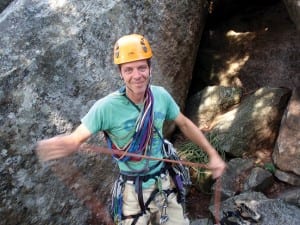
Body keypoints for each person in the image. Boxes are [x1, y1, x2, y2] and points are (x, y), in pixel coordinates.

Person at [36, 34, 226, 225]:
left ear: (150, 68)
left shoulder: (160, 96)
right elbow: (76, 138)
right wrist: (66, 144)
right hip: (132, 192)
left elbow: (183, 123)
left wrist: (212, 154)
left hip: (163, 183)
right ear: (120, 73)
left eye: (142, 67)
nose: (137, 75)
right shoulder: (106, 108)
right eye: (129, 70)